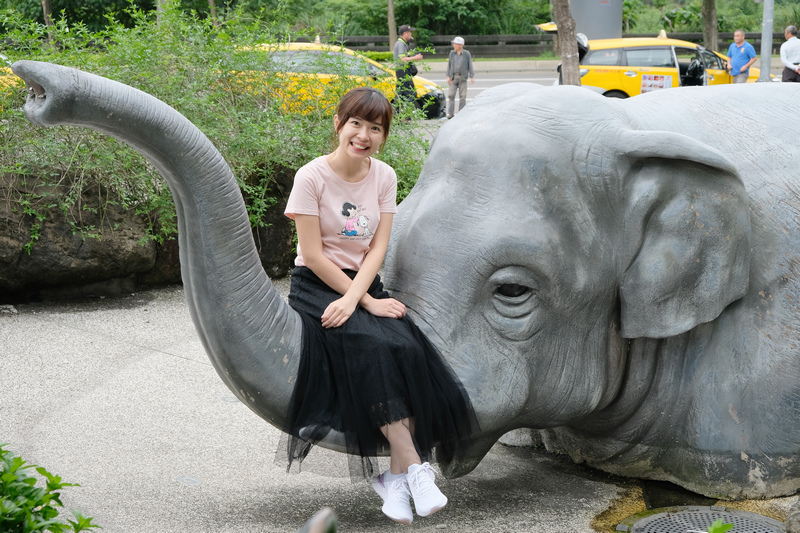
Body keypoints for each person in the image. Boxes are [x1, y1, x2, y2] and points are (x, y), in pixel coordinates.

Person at [281, 87, 477, 526]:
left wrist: (363, 297)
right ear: (338, 123)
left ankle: (394, 475)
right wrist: (359, 302)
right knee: (368, 346)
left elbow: (378, 247)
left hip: (364, 283)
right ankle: (417, 472)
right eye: (356, 123)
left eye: (376, 127)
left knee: (405, 348)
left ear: (383, 135)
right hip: (316, 285)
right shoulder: (311, 177)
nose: (364, 135)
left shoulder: (383, 176)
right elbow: (312, 254)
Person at [392, 24, 423, 108]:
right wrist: (415, 57)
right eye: (410, 32)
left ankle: (396, 115)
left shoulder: (402, 43)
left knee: (400, 94)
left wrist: (410, 54)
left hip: (400, 71)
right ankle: (407, 115)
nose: (411, 34)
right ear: (405, 33)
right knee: (411, 93)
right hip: (403, 71)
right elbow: (402, 59)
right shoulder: (400, 44)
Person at [445, 36, 475, 119]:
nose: (454, 45)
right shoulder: (452, 53)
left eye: (456, 44)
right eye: (454, 44)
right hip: (453, 76)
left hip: (462, 77)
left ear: (461, 45)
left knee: (462, 96)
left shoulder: (466, 53)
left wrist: (472, 76)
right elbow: (449, 65)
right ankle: (450, 114)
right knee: (451, 95)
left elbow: (470, 65)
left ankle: (461, 113)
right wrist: (448, 76)